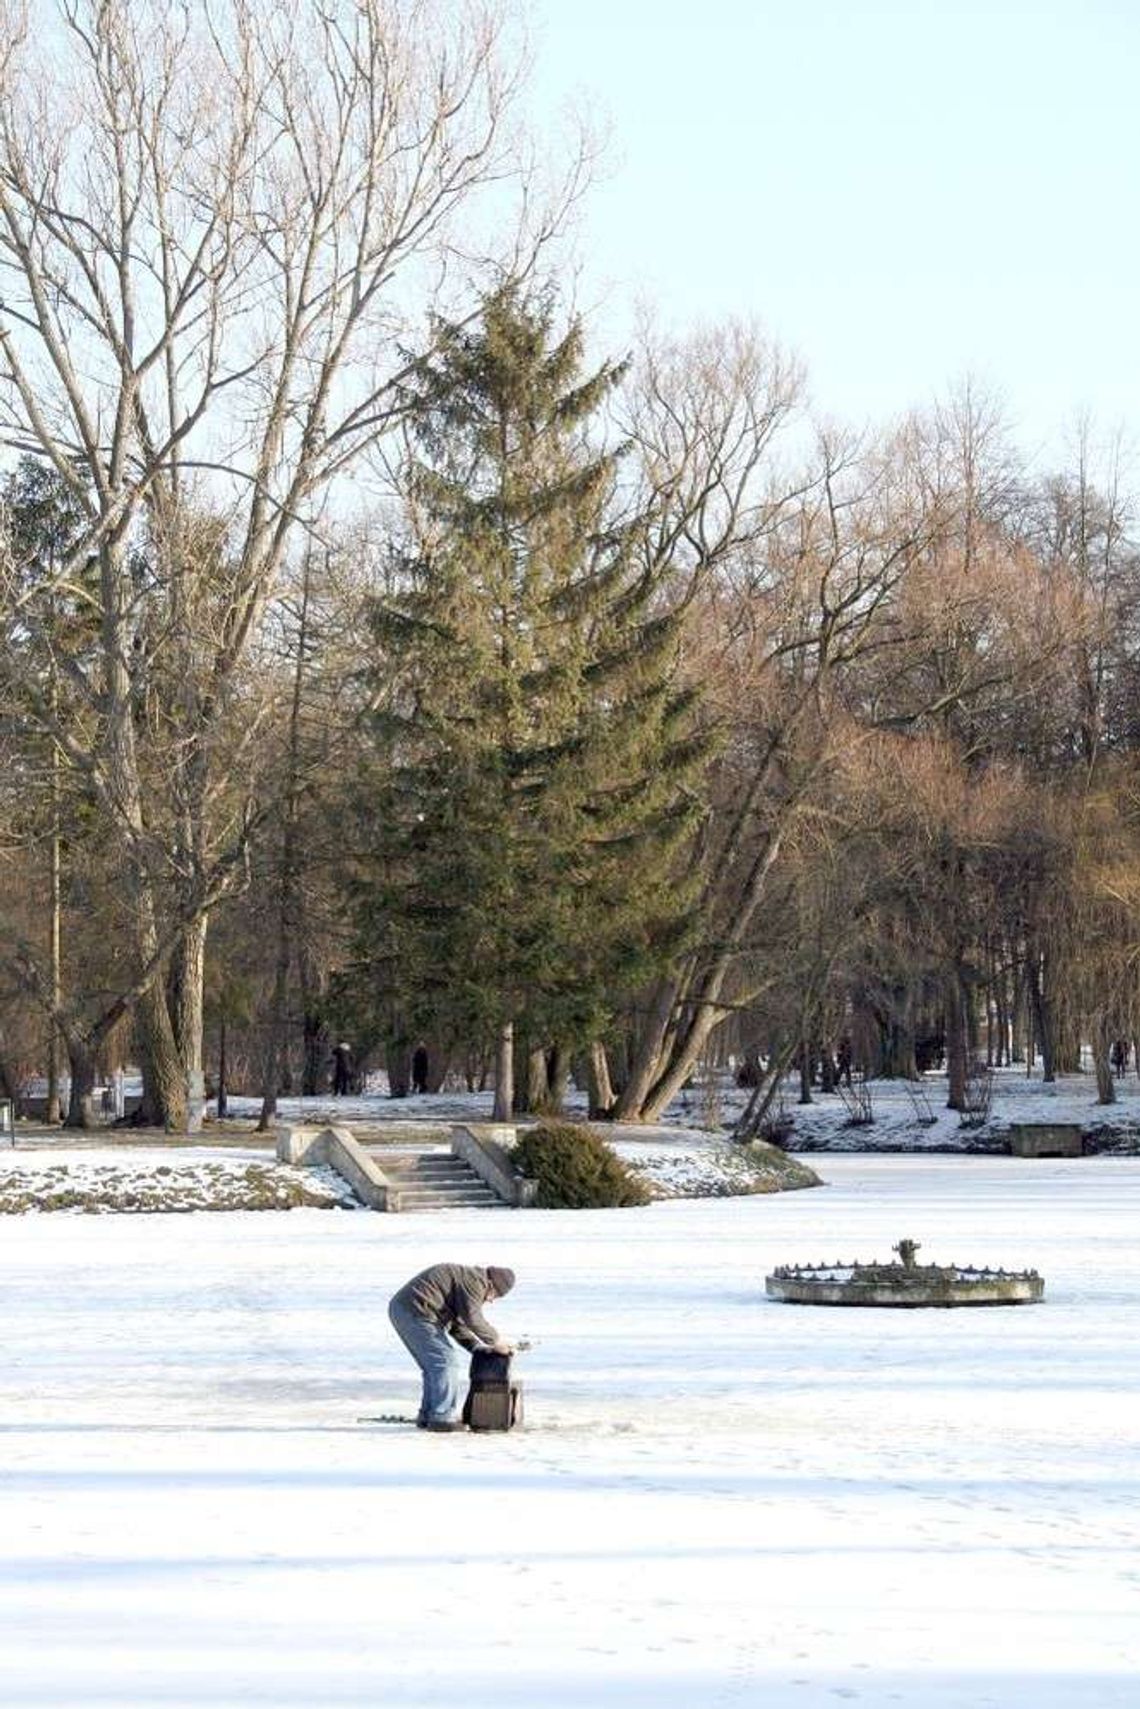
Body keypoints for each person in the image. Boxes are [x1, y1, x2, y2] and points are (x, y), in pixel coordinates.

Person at [388, 1262, 516, 1431]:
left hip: (407, 1310)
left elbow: (458, 1325)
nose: (491, 1300)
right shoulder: (475, 1282)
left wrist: (477, 1348)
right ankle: (442, 1417)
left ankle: (429, 1415)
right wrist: (497, 1341)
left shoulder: (468, 1281)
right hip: (415, 1311)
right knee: (445, 1361)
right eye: (495, 1295)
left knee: (435, 1366)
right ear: (491, 1284)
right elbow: (473, 1318)